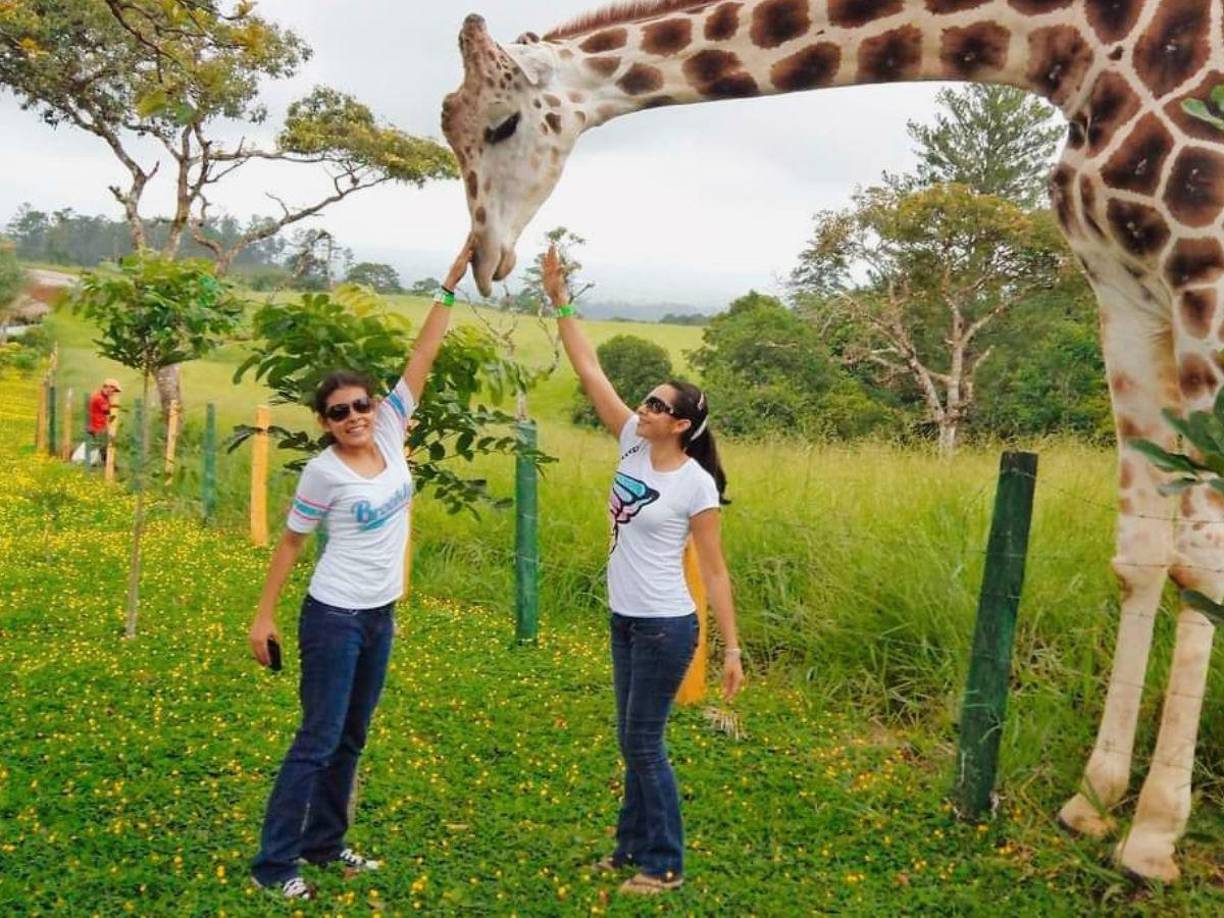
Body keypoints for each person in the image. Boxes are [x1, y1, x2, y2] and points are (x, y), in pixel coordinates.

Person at [247, 242, 472, 900]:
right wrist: (263, 617)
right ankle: (275, 865)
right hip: (334, 617)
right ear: (323, 422)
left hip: (381, 614)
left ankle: (324, 843)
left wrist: (450, 284)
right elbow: (290, 544)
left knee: (351, 737)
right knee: (317, 738)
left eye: (360, 406)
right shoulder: (324, 471)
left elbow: (423, 356)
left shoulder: (392, 432)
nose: (354, 418)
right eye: (339, 412)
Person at [542, 246, 744, 895]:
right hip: (626, 620)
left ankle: (664, 863)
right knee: (633, 739)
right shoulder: (632, 441)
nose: (644, 408)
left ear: (680, 424)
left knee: (643, 743)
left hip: (665, 627)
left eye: (657, 406)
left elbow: (714, 574)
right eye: (647, 402)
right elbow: (589, 368)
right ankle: (629, 849)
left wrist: (731, 649)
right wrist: (560, 299)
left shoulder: (695, 486)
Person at [87, 378, 121, 462]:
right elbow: (107, 411)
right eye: (114, 391)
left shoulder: (101, 396)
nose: (113, 393)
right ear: (108, 388)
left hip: (98, 425)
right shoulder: (99, 398)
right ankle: (107, 465)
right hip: (98, 426)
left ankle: (105, 463)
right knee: (105, 447)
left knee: (104, 446)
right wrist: (115, 406)